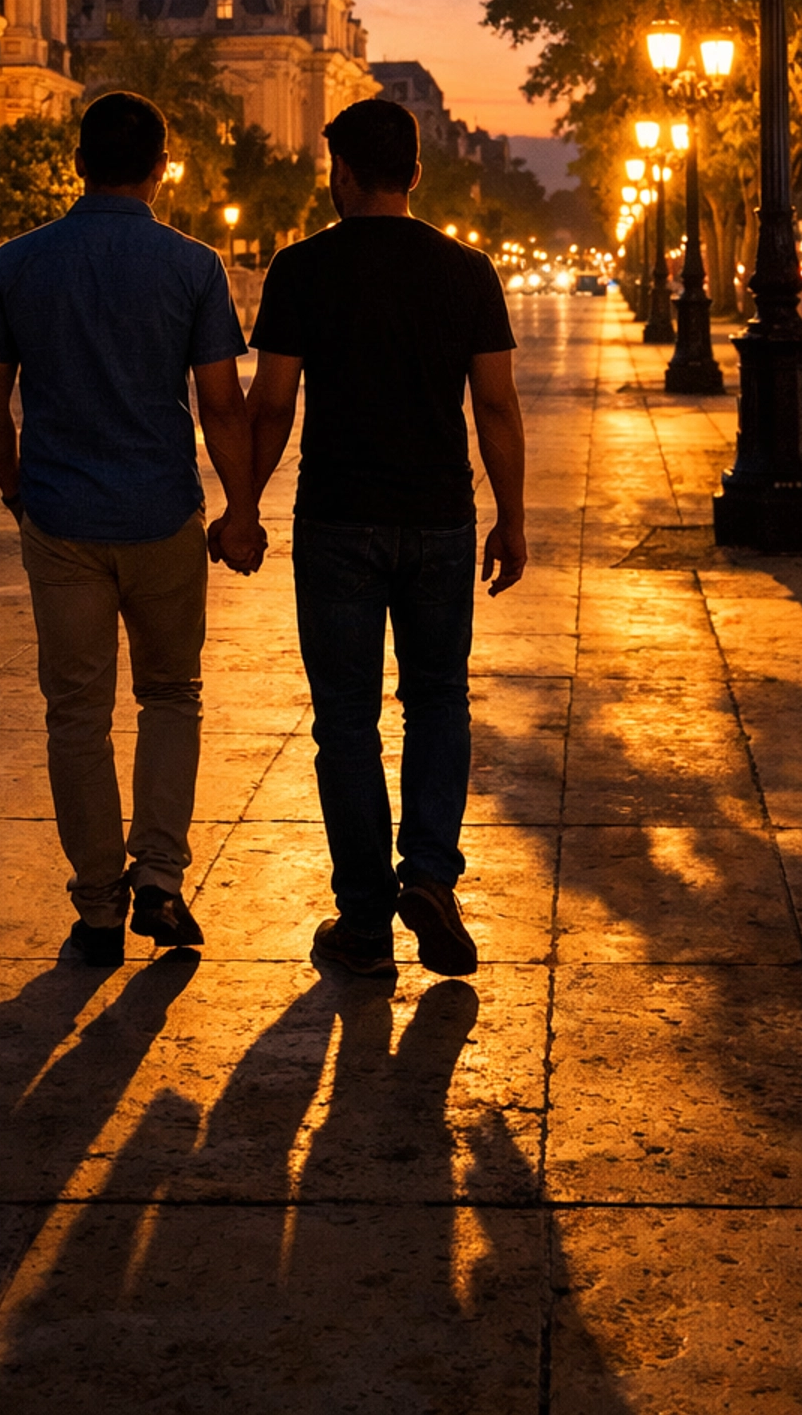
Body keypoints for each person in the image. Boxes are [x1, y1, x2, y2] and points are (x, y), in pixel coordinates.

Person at [0, 89, 266, 968]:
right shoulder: (192, 266)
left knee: (76, 715)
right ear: (162, 167)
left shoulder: (18, 263)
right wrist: (238, 512)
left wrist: (18, 491)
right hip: (162, 514)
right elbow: (220, 404)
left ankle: (98, 905)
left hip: (60, 517)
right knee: (171, 696)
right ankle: (161, 880)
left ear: (77, 164)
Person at [246, 96, 527, 979]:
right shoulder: (468, 271)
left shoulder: (301, 269)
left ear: (343, 173)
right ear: (415, 171)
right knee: (440, 700)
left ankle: (366, 919)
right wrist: (512, 517)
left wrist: (241, 505)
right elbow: (496, 405)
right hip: (440, 518)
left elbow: (274, 403)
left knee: (346, 721)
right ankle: (432, 877)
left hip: (337, 519)